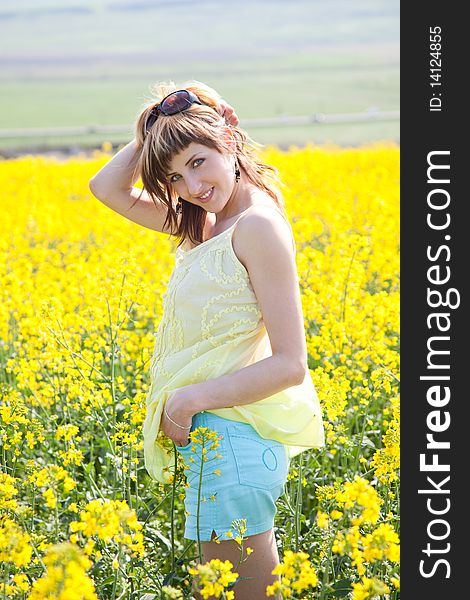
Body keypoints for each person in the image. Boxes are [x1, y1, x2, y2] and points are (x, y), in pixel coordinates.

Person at [89, 81, 325, 600]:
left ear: (230, 138)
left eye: (198, 161)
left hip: (234, 439)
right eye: (173, 176)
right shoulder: (208, 224)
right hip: (217, 440)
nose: (190, 185)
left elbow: (291, 363)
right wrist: (154, 127)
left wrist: (190, 398)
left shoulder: (255, 226)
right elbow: (106, 189)